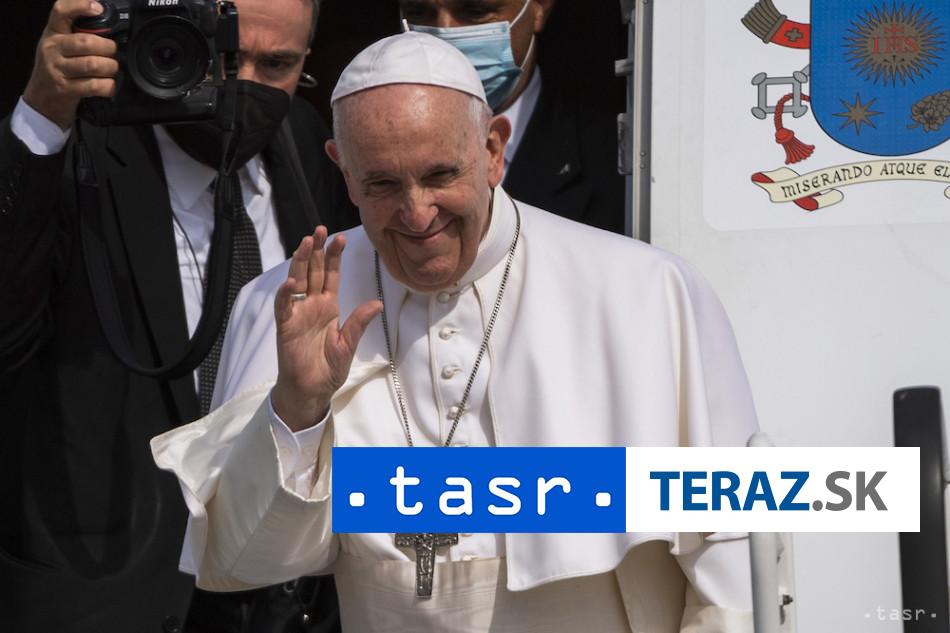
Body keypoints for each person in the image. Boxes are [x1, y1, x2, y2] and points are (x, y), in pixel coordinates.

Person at [152, 33, 758, 632]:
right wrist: (299, 409)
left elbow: (732, 557)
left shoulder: (646, 290)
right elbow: (244, 558)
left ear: (493, 149)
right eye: (382, 184)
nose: (418, 214)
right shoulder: (289, 302)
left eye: (440, 174)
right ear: (343, 170)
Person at [0, 0, 352, 631]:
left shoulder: (303, 139)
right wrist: (40, 120)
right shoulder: (82, 139)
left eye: (277, 65)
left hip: (278, 595)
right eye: (225, 57)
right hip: (110, 594)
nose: (245, 84)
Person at [399, 0, 626, 234]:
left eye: (476, 12)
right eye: (418, 12)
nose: (444, 36)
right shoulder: (375, 151)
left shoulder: (619, 165)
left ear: (539, 6)